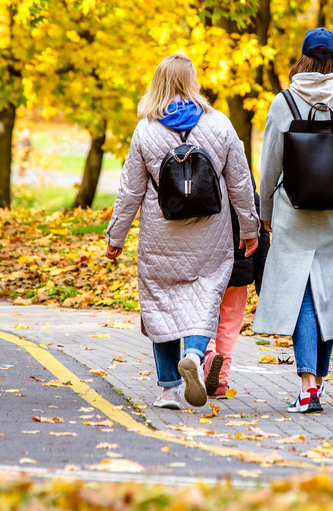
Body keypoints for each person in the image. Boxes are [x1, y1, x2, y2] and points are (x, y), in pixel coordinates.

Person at [105, 53, 259, 411]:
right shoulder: (219, 124)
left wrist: (116, 236)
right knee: (204, 298)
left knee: (160, 305)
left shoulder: (145, 129)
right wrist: (249, 229)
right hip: (210, 233)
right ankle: (193, 353)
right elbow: (239, 183)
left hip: (161, 234)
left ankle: (169, 390)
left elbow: (130, 191)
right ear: (193, 82)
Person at [252, 28, 333, 414]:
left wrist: (266, 213)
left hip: (293, 212)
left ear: (302, 59)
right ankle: (315, 384)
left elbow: (270, 166)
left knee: (303, 293)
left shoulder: (283, 103)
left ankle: (308, 387)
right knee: (329, 293)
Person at [203, 176, 271, 399]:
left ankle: (208, 355)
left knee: (202, 318)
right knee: (230, 326)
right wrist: (263, 279)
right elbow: (261, 233)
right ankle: (221, 380)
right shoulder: (246, 187)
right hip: (239, 268)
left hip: (205, 268)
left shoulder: (200, 181)